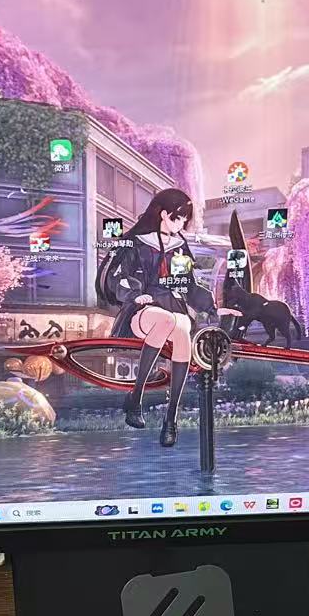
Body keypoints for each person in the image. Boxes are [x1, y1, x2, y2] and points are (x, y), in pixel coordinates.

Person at [96, 188, 216, 447]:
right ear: (163, 214)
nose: (181, 223)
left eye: (185, 219)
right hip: (143, 310)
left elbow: (187, 285)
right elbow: (115, 277)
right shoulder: (136, 243)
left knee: (181, 325)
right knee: (167, 320)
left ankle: (170, 418)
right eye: (178, 217)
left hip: (173, 308)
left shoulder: (179, 248)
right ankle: (135, 398)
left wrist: (211, 307)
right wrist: (134, 294)